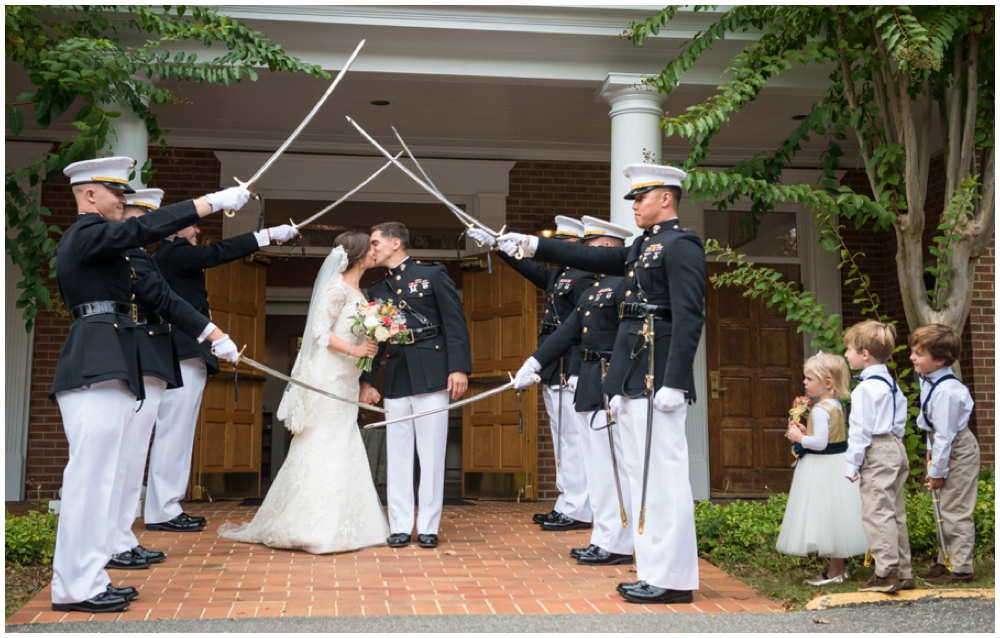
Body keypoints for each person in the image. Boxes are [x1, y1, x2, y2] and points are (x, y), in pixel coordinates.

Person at [495, 163, 705, 605]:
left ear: (665, 198)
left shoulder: (680, 245)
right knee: (638, 476)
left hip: (654, 374)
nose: (635, 207)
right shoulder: (641, 247)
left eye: (641, 198)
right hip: (629, 374)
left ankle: (674, 577)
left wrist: (675, 380)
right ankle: (652, 570)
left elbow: (688, 316)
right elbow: (592, 257)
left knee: (661, 479)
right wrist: (532, 245)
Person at [50, 156, 251, 613]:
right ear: (89, 196)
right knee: (91, 480)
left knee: (104, 478)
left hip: (115, 359)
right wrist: (211, 203)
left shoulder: (108, 244)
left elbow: (159, 295)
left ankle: (88, 576)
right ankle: (75, 585)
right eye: (117, 193)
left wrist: (211, 335)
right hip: (96, 360)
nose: (125, 200)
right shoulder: (86, 234)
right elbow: (143, 231)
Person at [218, 232, 390, 553]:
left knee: (344, 439)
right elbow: (318, 333)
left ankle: (348, 523)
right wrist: (355, 352)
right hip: (329, 377)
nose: (375, 251)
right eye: (371, 247)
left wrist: (369, 346)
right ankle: (310, 525)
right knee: (324, 439)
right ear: (357, 254)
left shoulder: (358, 291)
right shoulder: (337, 288)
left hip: (347, 379)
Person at [106, 189, 236, 572]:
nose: (196, 231)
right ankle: (159, 510)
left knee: (159, 437)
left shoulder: (144, 256)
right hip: (164, 354)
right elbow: (170, 299)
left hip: (165, 353)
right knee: (161, 436)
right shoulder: (166, 252)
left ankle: (143, 521)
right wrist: (212, 335)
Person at [145, 211, 298, 533]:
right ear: (174, 228)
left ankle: (165, 507)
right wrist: (265, 235)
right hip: (181, 354)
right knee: (175, 434)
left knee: (177, 433)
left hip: (180, 353)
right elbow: (218, 253)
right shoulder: (173, 252)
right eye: (193, 224)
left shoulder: (167, 254)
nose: (198, 230)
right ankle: (163, 510)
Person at [511, 216, 635, 564]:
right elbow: (569, 330)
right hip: (587, 379)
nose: (583, 256)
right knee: (597, 465)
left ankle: (617, 539)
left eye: (589, 249)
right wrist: (533, 363)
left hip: (604, 380)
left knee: (611, 465)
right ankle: (605, 537)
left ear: (609, 249)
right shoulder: (595, 288)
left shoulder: (625, 283)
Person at [470, 216, 595, 531]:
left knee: (572, 441)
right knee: (561, 440)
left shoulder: (585, 275)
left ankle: (579, 509)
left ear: (576, 246)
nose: (556, 250)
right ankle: (567, 502)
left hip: (571, 366)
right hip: (554, 367)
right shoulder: (561, 275)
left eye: (562, 244)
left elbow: (578, 328)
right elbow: (528, 268)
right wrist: (497, 245)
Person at [359, 222, 471, 549]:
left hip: (434, 370)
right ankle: (400, 524)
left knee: (432, 453)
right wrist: (367, 381)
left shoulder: (432, 275)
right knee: (398, 453)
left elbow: (455, 324)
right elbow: (375, 338)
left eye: (376, 242)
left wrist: (459, 367)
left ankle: (428, 526)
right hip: (397, 373)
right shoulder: (377, 289)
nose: (372, 249)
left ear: (396, 243)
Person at [777, 352, 868, 585]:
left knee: (825, 516)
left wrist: (799, 436)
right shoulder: (835, 405)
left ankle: (835, 572)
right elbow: (830, 437)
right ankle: (837, 568)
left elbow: (820, 443)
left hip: (822, 466)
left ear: (828, 383)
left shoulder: (819, 409)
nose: (804, 382)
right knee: (836, 517)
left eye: (809, 379)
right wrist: (807, 432)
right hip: (837, 463)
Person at [843, 321, 913, 593]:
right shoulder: (891, 384)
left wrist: (852, 463)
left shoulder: (864, 389)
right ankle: (903, 570)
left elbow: (860, 430)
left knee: (877, 511)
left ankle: (886, 571)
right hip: (895, 445)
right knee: (895, 511)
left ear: (864, 354)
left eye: (848, 349)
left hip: (876, 448)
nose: (846, 355)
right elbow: (900, 418)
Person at [909, 324, 979, 586]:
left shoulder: (947, 391)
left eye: (919, 353)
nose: (912, 357)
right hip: (940, 444)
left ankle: (961, 568)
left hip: (957, 449)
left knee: (956, 507)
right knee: (942, 506)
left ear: (938, 360)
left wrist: (937, 473)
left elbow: (947, 434)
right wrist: (930, 452)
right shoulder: (929, 378)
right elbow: (933, 427)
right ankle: (945, 560)